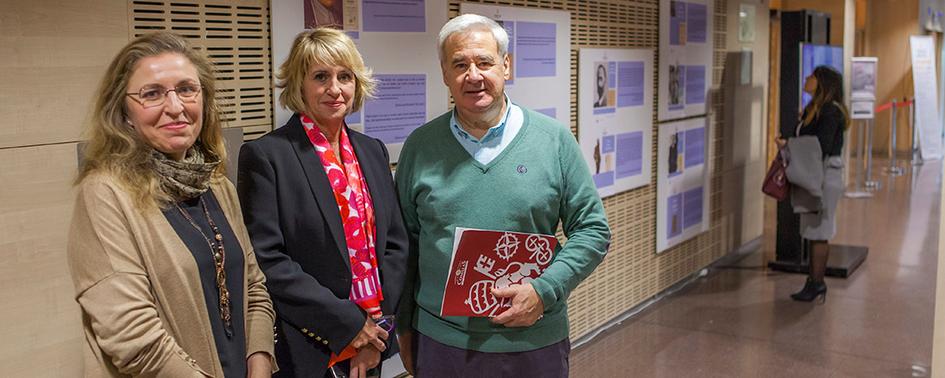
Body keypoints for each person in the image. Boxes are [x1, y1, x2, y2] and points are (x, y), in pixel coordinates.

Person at [395, 14, 611, 377]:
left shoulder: (553, 140)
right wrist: (404, 327)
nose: (473, 75)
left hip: (533, 338)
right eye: (460, 64)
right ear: (445, 74)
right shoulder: (420, 147)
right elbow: (405, 246)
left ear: (506, 66)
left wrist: (544, 290)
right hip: (443, 341)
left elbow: (593, 230)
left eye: (484, 62)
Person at [66, 32, 275, 377]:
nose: (175, 107)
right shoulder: (104, 193)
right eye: (152, 94)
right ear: (124, 112)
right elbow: (132, 336)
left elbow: (254, 287)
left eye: (186, 89)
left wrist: (261, 365)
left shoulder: (217, 184)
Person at [237, 27, 408, 378]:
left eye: (344, 76)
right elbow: (268, 261)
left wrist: (375, 334)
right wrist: (348, 328)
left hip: (374, 338)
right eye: (321, 77)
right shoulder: (267, 156)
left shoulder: (372, 150)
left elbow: (395, 244)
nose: (335, 89)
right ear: (299, 84)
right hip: (311, 347)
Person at [777, 65, 848, 303]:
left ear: (822, 83)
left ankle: (817, 283)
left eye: (812, 77)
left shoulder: (831, 111)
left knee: (820, 231)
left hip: (826, 177)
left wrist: (791, 144)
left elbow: (822, 145)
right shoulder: (815, 109)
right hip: (816, 175)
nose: (807, 79)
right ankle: (813, 282)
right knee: (814, 230)